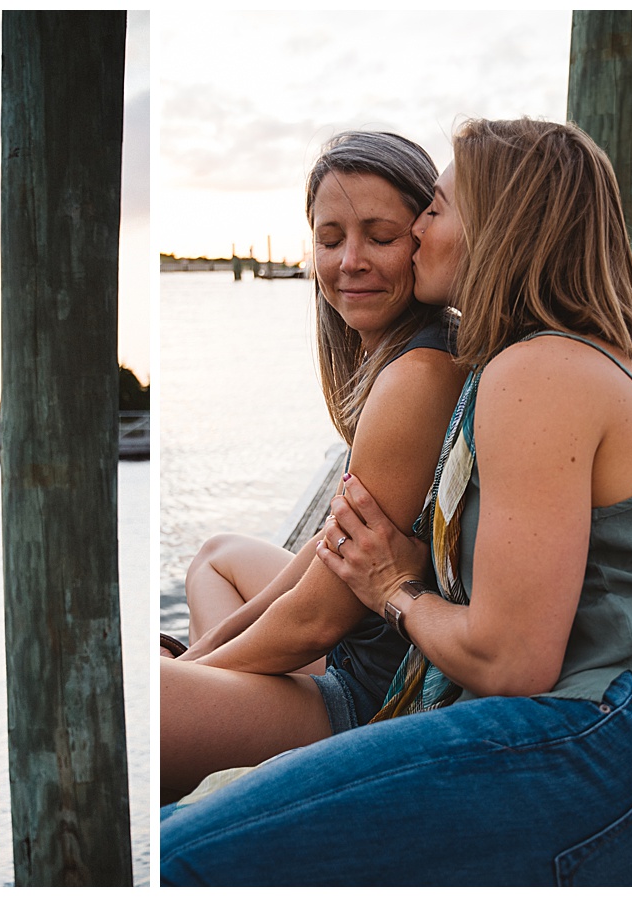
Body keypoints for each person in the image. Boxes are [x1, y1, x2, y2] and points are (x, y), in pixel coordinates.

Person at [160, 118, 632, 886]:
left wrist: (396, 590)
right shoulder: (557, 363)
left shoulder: (539, 373)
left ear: (499, 227)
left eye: (434, 210)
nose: (419, 231)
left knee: (182, 852)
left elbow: (511, 657)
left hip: (614, 756)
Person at [160, 131, 465, 803]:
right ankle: (214, 710)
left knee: (144, 700)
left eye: (378, 236)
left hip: (371, 696)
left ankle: (219, 745)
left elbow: (315, 621)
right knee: (216, 556)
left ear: (422, 234)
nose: (350, 260)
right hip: (359, 647)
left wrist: (194, 678)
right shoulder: (404, 355)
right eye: (330, 239)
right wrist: (204, 668)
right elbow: (322, 555)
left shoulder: (419, 374)